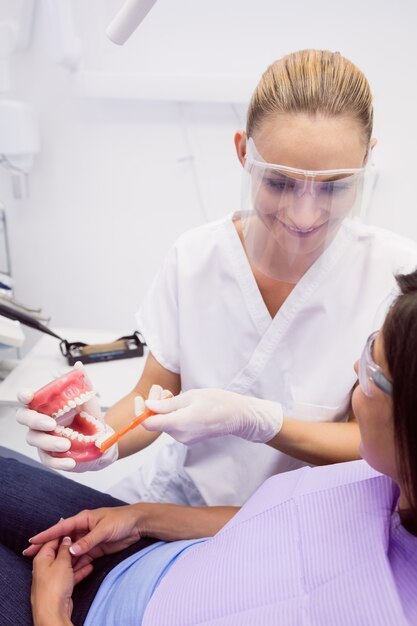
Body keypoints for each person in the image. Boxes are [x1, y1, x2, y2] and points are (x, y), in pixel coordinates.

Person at [16, 49, 417, 508]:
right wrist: (99, 440)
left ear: (368, 160)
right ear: (243, 152)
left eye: (334, 186)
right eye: (280, 183)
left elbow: (388, 442)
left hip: (297, 522)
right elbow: (150, 397)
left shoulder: (398, 279)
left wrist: (263, 423)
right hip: (176, 499)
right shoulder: (196, 258)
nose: (305, 215)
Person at [1, 268, 417, 626]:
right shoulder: (379, 480)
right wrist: (141, 517)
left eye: (373, 370)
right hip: (146, 550)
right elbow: (276, 525)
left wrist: (50, 612)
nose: (354, 371)